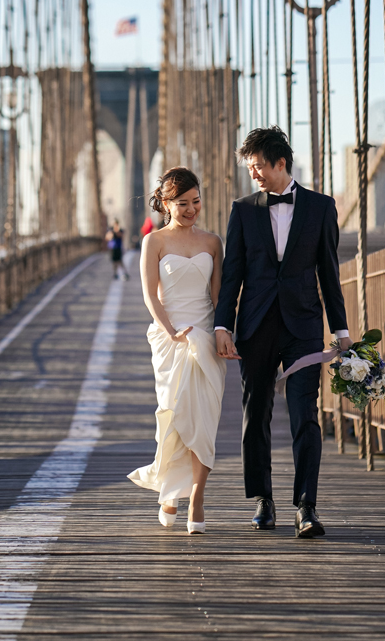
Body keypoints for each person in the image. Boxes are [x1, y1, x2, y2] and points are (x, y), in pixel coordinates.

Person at [214, 126, 351, 539]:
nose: (253, 174)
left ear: (280, 163)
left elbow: (329, 272)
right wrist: (223, 324)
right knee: (255, 413)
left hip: (304, 326)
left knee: (305, 416)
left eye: (258, 167)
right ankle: (263, 500)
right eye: (249, 168)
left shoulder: (321, 207)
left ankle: (306, 507)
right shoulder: (243, 210)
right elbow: (232, 275)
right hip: (255, 327)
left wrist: (341, 331)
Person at [128, 167, 226, 534]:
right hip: (170, 340)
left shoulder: (213, 242)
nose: (191, 209)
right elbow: (151, 296)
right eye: (183, 203)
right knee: (174, 421)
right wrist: (171, 331)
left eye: (196, 201)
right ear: (166, 204)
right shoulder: (153, 242)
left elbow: (218, 296)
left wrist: (224, 333)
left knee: (205, 421)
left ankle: (197, 496)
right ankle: (170, 489)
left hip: (206, 340)